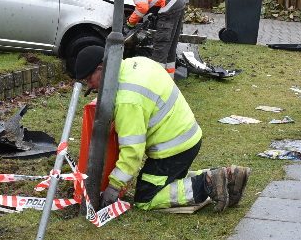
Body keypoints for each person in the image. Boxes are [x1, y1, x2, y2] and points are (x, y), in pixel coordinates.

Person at [73, 45, 250, 211]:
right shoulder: (137, 63)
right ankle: (227, 176)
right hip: (188, 137)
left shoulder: (128, 101)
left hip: (172, 150)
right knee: (167, 182)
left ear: (102, 67)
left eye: (90, 80)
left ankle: (208, 184)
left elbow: (132, 151)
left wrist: (114, 186)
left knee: (145, 198)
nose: (91, 86)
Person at [124, 0, 185, 78]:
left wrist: (130, 22)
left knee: (161, 45)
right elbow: (149, 2)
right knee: (170, 46)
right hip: (177, 2)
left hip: (168, 5)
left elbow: (142, 8)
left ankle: (155, 79)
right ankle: (169, 79)